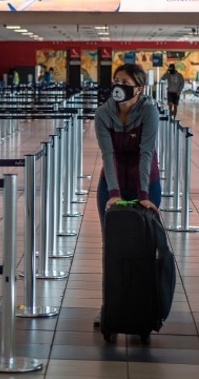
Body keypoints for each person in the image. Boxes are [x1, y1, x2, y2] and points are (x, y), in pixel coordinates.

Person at [93, 63, 161, 326]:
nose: (119, 86)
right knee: (110, 245)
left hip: (147, 183)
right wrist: (113, 193)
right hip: (112, 184)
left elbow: (146, 153)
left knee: (145, 244)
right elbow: (107, 155)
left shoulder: (149, 111)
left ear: (138, 88)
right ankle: (111, 305)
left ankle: (143, 306)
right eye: (116, 80)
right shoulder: (103, 114)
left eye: (125, 81)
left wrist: (144, 194)